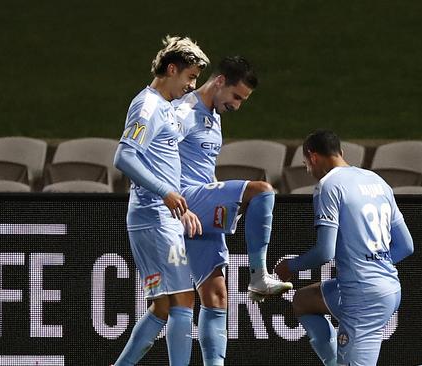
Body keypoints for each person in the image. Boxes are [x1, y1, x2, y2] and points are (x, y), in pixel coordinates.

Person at [173, 56, 292, 365]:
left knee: (216, 297)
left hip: (199, 204)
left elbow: (203, 170)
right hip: (184, 201)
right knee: (262, 191)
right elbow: (155, 156)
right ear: (220, 81)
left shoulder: (214, 117)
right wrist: (171, 201)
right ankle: (258, 275)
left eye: (244, 100)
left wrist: (224, 203)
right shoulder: (183, 111)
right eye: (237, 96)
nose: (238, 105)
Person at [274, 130, 415, 366]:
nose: (308, 171)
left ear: (313, 156)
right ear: (341, 152)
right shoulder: (377, 181)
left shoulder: (328, 186)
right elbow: (406, 246)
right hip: (386, 288)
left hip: (363, 298)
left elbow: (324, 252)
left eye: (305, 165)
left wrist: (289, 266)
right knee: (303, 301)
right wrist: (374, 264)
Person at [111, 35, 207, 366]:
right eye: (190, 77)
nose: (191, 85)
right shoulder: (147, 105)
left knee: (164, 306)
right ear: (171, 69)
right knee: (183, 302)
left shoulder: (164, 107)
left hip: (158, 217)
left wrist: (179, 206)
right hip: (153, 217)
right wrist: (165, 193)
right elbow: (124, 157)